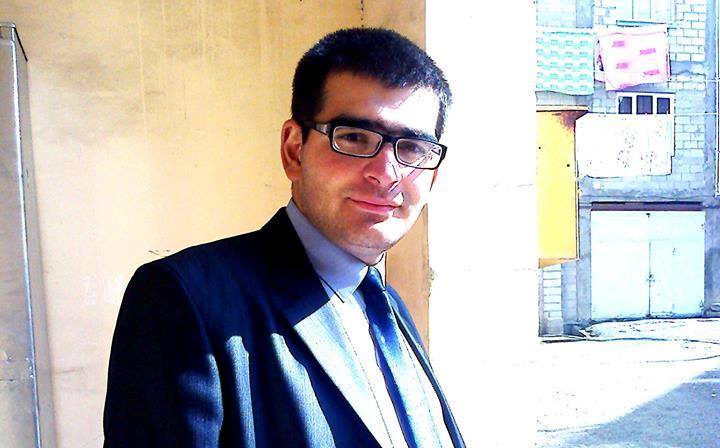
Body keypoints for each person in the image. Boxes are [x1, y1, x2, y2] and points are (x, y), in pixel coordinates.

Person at [103, 27, 464, 448]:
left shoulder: (388, 305)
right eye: (353, 137)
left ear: (432, 176)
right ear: (294, 150)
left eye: (413, 148)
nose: (386, 174)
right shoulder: (185, 300)